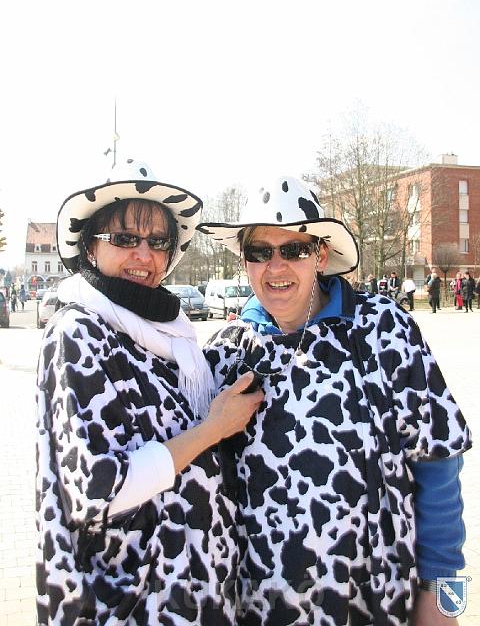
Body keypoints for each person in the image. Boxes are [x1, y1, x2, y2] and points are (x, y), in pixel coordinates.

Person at [198, 175, 471, 626]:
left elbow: (438, 460)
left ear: (321, 255)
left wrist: (443, 597)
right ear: (244, 262)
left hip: (376, 602)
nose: (276, 266)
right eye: (260, 252)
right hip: (261, 608)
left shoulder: (385, 330)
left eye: (294, 250)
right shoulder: (226, 355)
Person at [35, 159, 263, 626]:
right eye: (124, 239)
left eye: (158, 242)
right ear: (91, 247)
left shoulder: (171, 335)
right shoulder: (78, 332)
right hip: (130, 604)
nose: (144, 254)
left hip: (198, 593)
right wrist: (212, 430)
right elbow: (98, 490)